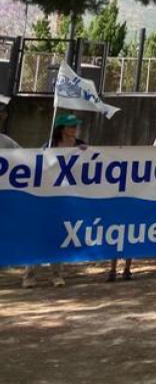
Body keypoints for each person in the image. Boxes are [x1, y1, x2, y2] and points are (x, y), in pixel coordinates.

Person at [23, 115, 88, 288]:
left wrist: (87, 153)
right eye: (70, 126)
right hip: (46, 198)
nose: (74, 128)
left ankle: (57, 275)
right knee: (39, 235)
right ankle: (29, 276)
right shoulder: (49, 146)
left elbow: (91, 166)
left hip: (68, 199)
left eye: (75, 125)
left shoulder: (80, 145)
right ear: (61, 128)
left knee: (60, 236)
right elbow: (39, 166)